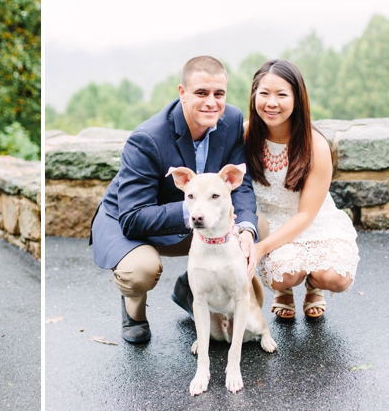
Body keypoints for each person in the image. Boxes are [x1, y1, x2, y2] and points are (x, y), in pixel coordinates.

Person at [91, 56, 262, 344]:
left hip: (195, 216)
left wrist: (245, 228)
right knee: (140, 270)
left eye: (218, 94)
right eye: (201, 93)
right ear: (182, 93)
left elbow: (240, 186)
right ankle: (134, 311)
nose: (211, 102)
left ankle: (190, 288)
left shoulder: (231, 121)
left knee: (259, 230)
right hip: (128, 220)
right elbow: (133, 217)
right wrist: (196, 208)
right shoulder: (147, 138)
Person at [245, 59, 359, 319]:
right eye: (264, 94)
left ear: (297, 98)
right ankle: (283, 292)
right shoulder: (246, 134)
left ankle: (313, 285)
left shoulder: (315, 144)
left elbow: (306, 215)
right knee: (283, 276)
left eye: (281, 95)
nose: (271, 103)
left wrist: (260, 249)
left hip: (313, 221)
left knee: (336, 278)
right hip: (271, 221)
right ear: (254, 96)